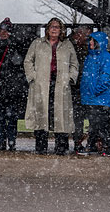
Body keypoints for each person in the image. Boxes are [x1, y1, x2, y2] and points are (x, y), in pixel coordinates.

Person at [24, 18, 79, 155]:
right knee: (42, 114)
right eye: (51, 27)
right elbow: (28, 61)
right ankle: (41, 146)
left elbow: (74, 64)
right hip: (42, 84)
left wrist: (70, 78)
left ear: (61, 30)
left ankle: (61, 146)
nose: (54, 29)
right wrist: (33, 77)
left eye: (57, 27)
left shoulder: (67, 45)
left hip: (61, 84)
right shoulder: (37, 44)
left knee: (61, 115)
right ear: (47, 29)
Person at [0, 17, 28, 151]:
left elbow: (19, 63)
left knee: (11, 116)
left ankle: (10, 140)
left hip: (12, 87)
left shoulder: (15, 45)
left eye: (6, 30)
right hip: (1, 86)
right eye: (1, 30)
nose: (3, 33)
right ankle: (3, 140)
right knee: (1, 116)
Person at [80, 31, 110, 156]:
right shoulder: (90, 57)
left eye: (93, 41)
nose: (90, 43)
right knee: (94, 124)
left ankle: (104, 147)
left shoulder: (106, 57)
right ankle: (94, 146)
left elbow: (107, 77)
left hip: (100, 98)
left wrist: (95, 90)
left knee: (100, 125)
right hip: (92, 98)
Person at [70, 26, 92, 153]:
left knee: (78, 118)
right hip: (76, 87)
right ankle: (77, 142)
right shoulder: (73, 48)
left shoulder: (84, 48)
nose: (89, 40)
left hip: (81, 87)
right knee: (77, 118)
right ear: (78, 35)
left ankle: (79, 142)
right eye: (87, 36)